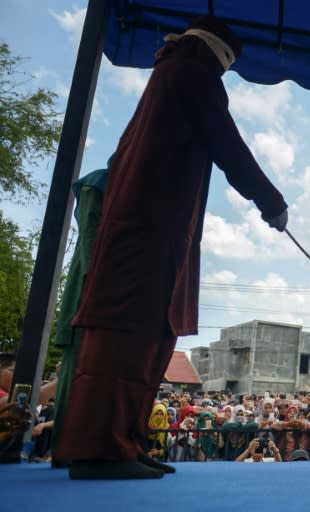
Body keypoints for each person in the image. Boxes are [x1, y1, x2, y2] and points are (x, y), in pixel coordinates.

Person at [56, 15, 288, 480]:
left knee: (150, 337)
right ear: (219, 55)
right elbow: (229, 145)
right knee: (129, 336)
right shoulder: (192, 74)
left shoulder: (169, 77)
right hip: (149, 231)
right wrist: (271, 201)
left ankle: (122, 442)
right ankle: (100, 450)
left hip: (149, 230)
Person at [49, 162, 110, 467]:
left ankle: (92, 448)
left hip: (109, 295)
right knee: (76, 374)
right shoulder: (98, 182)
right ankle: (66, 449)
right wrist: (98, 286)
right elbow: (90, 237)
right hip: (90, 292)